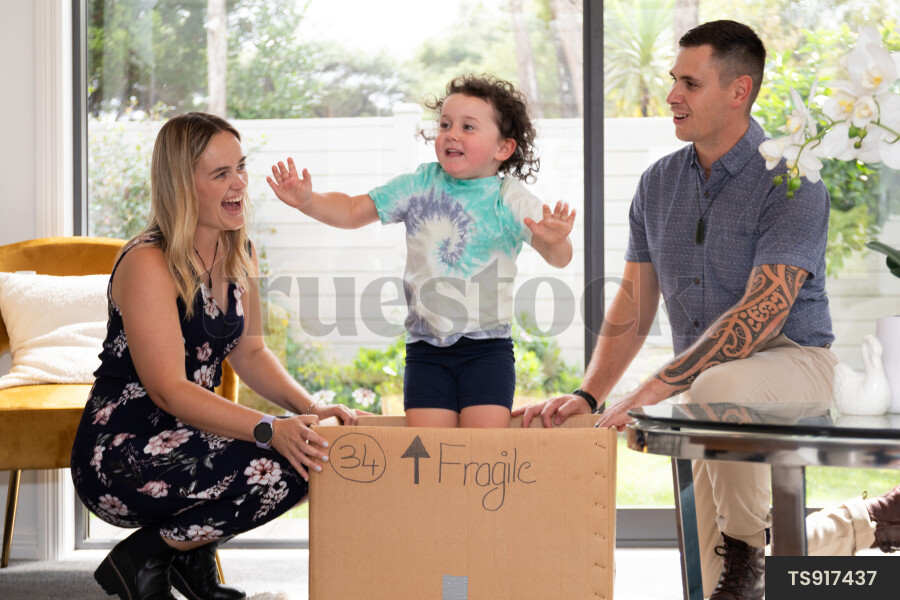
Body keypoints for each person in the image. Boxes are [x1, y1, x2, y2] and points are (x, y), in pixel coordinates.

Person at [515, 20, 840, 600]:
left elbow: (764, 311)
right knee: (713, 578)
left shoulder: (791, 180)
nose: (671, 95)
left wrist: (657, 386)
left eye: (690, 83)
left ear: (739, 91)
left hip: (794, 361)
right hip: (702, 380)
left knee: (715, 392)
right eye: (673, 80)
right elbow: (635, 303)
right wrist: (590, 395)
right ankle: (855, 526)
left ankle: (749, 554)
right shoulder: (658, 183)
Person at [70, 112, 363, 600]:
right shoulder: (148, 262)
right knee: (284, 462)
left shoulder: (239, 249)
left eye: (241, 167)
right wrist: (270, 428)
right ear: (182, 185)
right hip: (122, 454)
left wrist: (309, 409)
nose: (240, 184)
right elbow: (169, 390)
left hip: (192, 436)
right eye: (221, 174)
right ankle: (143, 558)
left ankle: (185, 555)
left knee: (311, 454)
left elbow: (252, 353)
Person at [268, 74, 575, 429]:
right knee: (430, 450)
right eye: (445, 124)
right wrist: (308, 201)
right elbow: (352, 211)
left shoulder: (510, 199)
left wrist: (555, 240)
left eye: (468, 127)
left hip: (487, 351)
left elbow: (559, 258)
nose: (452, 134)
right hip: (426, 351)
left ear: (503, 148)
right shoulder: (418, 186)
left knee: (482, 449)